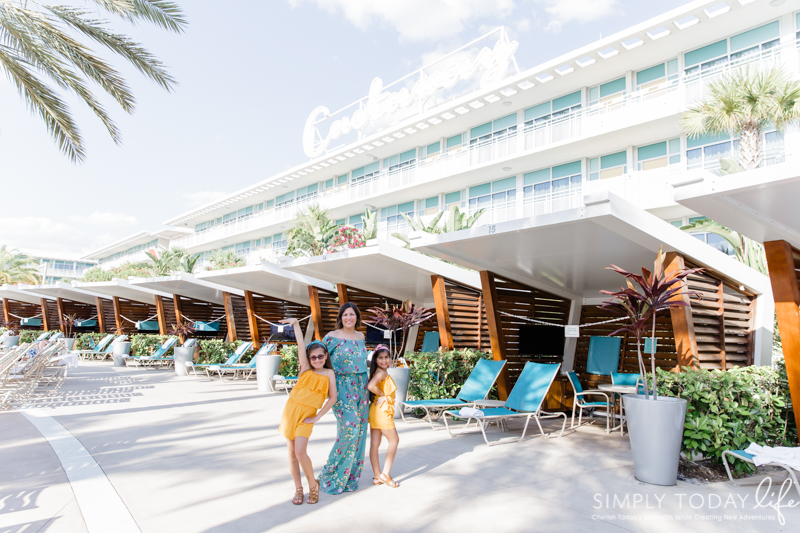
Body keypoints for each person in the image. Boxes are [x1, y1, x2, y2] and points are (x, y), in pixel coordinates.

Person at [278, 318, 337, 505]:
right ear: (308, 358)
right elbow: (300, 343)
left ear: (326, 356)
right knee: (291, 453)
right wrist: (296, 324)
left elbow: (333, 398)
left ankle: (313, 485)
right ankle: (298, 489)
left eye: (321, 356)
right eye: (313, 357)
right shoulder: (305, 369)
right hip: (291, 411)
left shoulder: (329, 374)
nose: (317, 360)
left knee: (301, 452)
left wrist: (317, 417)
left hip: (307, 415)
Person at [318, 303, 370, 495]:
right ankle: (329, 475)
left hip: (362, 388)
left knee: (360, 433)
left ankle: (349, 478)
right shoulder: (332, 337)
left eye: (352, 314)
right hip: (341, 388)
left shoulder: (361, 336)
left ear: (357, 317)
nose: (349, 318)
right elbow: (318, 358)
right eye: (345, 314)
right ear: (341, 317)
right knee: (349, 430)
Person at [367, 345, 400, 488]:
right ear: (375, 359)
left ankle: (377, 475)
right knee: (394, 441)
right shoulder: (381, 374)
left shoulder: (379, 372)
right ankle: (385, 474)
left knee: (375, 444)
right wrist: (383, 395)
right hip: (382, 411)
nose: (384, 360)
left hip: (375, 411)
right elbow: (370, 386)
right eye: (380, 358)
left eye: (386, 357)